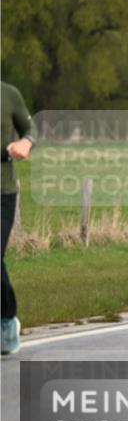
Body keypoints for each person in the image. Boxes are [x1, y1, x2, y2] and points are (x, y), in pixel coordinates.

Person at [2, 81, 36, 356]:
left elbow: (32, 129)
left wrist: (25, 142)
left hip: (2, 193)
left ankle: (6, 322)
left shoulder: (9, 94)